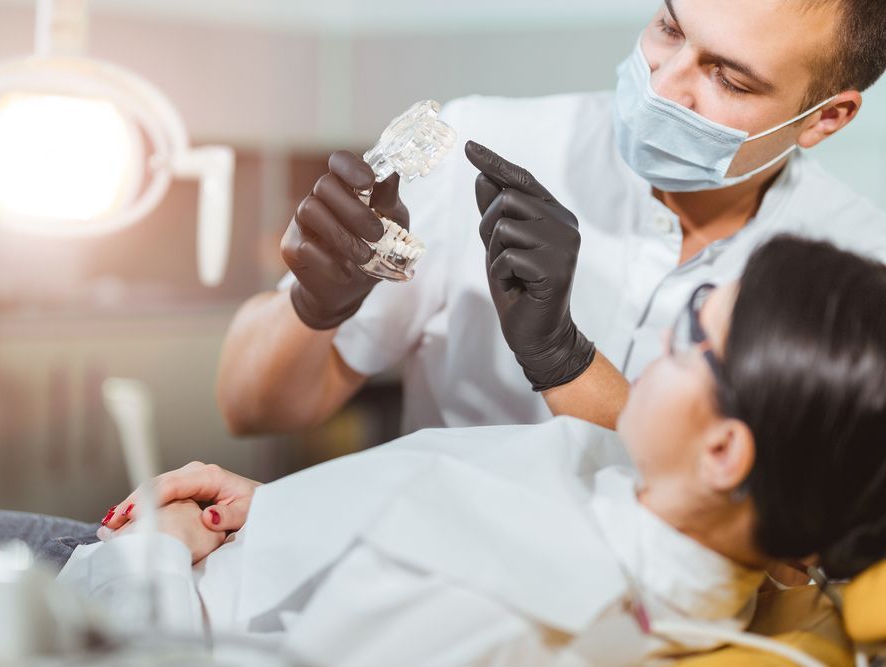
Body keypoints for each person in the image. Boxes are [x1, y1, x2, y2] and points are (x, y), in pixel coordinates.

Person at [76, 236, 886, 664]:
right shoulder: (647, 507)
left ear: (722, 453)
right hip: (223, 551)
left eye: (690, 341)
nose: (663, 339)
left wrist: (149, 558)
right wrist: (279, 510)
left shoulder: (521, 606)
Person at [217, 0, 886, 436]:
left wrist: (565, 360)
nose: (663, 85)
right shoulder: (481, 147)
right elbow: (251, 409)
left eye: (730, 80)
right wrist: (312, 303)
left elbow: (763, 529)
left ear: (827, 116)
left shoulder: (857, 269)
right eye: (670, 28)